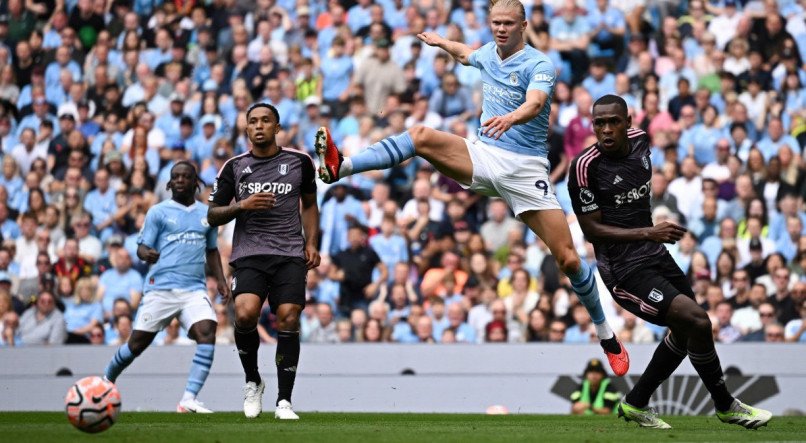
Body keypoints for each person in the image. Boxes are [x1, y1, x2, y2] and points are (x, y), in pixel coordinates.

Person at [313, 0, 628, 375]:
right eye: (496, 22)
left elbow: (536, 102)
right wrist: (442, 41)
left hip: (526, 170)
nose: (501, 29)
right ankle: (341, 165)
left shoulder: (539, 64)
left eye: (509, 23)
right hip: (483, 154)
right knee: (420, 136)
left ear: (524, 24)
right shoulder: (487, 53)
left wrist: (510, 118)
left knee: (570, 260)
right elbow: (467, 55)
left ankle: (605, 332)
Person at [568, 94, 771, 430]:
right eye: (599, 123)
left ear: (628, 122)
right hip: (623, 270)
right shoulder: (585, 167)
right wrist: (649, 232)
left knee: (686, 327)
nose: (606, 130)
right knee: (698, 322)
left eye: (613, 122)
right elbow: (591, 230)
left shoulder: (641, 142)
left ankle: (635, 402)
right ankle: (725, 405)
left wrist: (650, 236)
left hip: (654, 254)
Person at [208, 103, 320, 420]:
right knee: (243, 315)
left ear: (277, 127)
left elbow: (310, 205)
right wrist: (242, 205)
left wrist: (311, 242)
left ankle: (284, 400)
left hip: (289, 254)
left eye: (266, 121)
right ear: (247, 129)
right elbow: (212, 214)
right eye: (253, 121)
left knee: (288, 317)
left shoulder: (300, 162)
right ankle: (253, 380)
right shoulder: (233, 167)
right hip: (249, 254)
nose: (259, 126)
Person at [103, 162, 230, 414]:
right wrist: (145, 253)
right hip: (160, 289)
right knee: (136, 345)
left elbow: (212, 250)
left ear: (196, 183)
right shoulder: (158, 212)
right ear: (169, 183)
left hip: (193, 289)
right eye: (176, 177)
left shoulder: (208, 214)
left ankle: (188, 399)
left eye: (186, 176)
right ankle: (106, 381)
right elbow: (141, 246)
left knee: (207, 330)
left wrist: (222, 281)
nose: (180, 180)